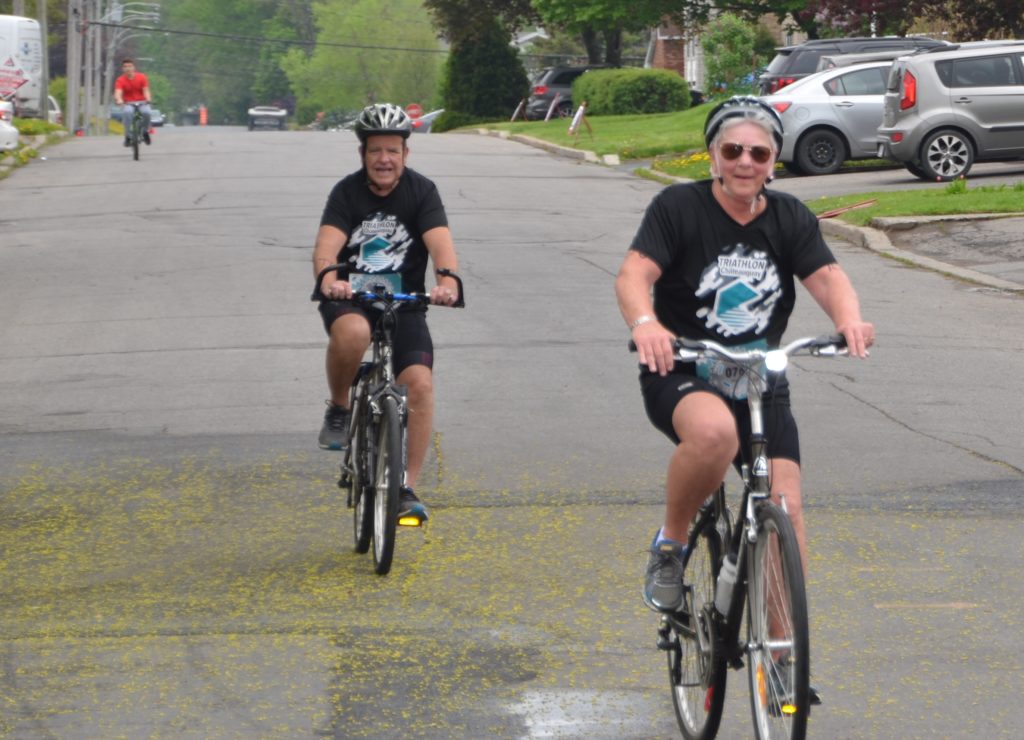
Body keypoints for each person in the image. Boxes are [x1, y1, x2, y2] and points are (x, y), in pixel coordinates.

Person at [615, 96, 875, 616]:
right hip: (685, 367)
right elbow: (634, 274)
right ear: (713, 155)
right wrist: (647, 325)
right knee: (715, 435)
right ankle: (671, 543)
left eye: (759, 153)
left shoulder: (788, 216)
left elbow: (827, 276)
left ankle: (781, 666)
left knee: (786, 508)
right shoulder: (678, 207)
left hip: (759, 378)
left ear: (773, 162)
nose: (745, 162)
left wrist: (847, 319)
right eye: (733, 149)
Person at [313, 102, 461, 523]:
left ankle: (404, 486)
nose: (384, 159)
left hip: (403, 302)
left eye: (393, 150)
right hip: (350, 296)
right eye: (376, 150)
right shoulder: (346, 192)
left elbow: (440, 245)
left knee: (419, 384)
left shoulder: (422, 191)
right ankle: (340, 406)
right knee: (355, 334)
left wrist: (447, 283)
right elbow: (327, 247)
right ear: (363, 154)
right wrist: (329, 279)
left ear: (405, 155)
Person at [113, 58, 152, 147]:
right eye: (125, 67)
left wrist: (148, 99)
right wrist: (119, 100)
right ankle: (128, 136)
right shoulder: (120, 80)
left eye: (130, 66)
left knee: (147, 112)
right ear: (123, 69)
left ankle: (145, 132)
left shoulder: (142, 77)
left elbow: (146, 90)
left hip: (142, 102)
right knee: (127, 112)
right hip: (128, 103)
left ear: (134, 68)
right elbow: (118, 92)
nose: (128, 68)